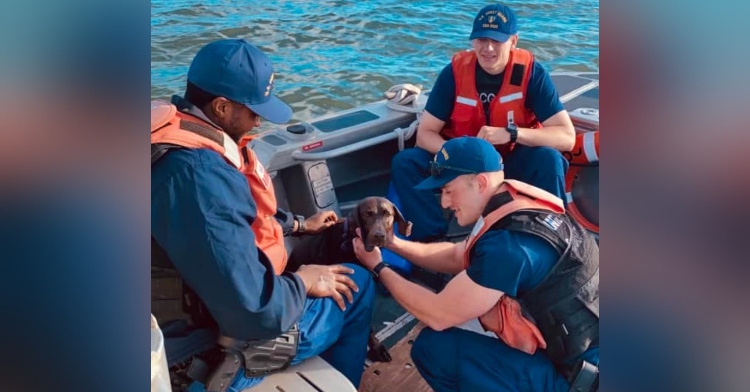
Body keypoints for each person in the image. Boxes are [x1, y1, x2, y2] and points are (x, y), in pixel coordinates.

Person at [151, 39, 375, 391]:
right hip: (195, 354)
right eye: (254, 109)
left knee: (324, 246)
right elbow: (255, 312)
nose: (259, 120)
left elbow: (234, 218)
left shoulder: (172, 136)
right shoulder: (198, 176)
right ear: (222, 107)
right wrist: (304, 280)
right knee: (358, 287)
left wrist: (299, 224)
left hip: (177, 307)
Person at [354, 137, 598, 392]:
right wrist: (395, 245)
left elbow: (438, 314)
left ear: (480, 183)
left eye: (448, 190)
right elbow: (460, 255)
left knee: (435, 349)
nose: (444, 203)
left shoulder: (509, 246)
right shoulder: (518, 204)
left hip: (583, 380)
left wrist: (380, 268)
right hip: (585, 345)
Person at [390, 3, 576, 241]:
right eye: (481, 39)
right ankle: (431, 242)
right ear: (472, 41)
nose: (487, 48)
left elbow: (566, 137)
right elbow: (425, 134)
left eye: (497, 41)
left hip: (509, 163)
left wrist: (512, 134)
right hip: (460, 166)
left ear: (513, 41)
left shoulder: (532, 74)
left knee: (549, 159)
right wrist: (457, 156)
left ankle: (552, 238)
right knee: (405, 162)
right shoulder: (454, 73)